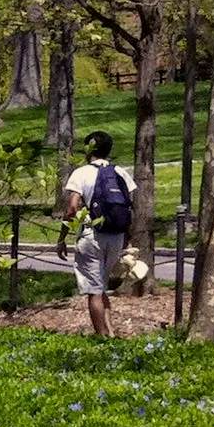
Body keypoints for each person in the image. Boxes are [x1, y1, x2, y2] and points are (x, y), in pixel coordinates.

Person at [61, 129, 136, 338]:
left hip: (92, 236)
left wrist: (62, 237)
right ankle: (110, 332)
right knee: (101, 286)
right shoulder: (120, 172)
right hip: (116, 237)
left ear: (89, 149)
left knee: (93, 290)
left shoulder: (81, 173)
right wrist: (127, 239)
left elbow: (72, 209)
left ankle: (101, 337)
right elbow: (129, 206)